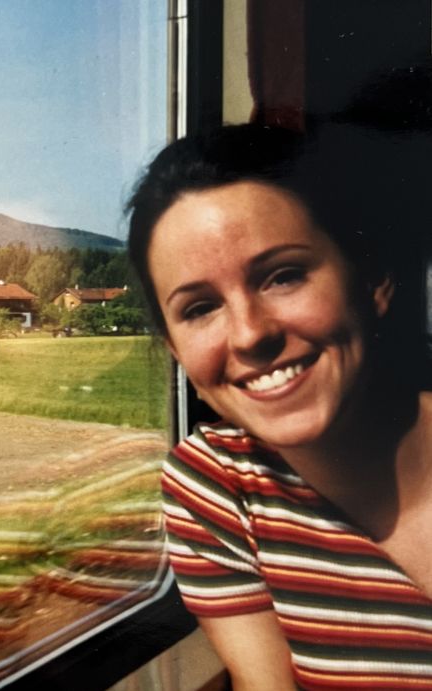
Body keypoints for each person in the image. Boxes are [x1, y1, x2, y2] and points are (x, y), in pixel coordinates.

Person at [126, 123, 432, 690]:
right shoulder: (215, 486)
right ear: (175, 350)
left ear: (373, 280)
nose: (247, 336)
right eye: (198, 309)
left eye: (284, 276)